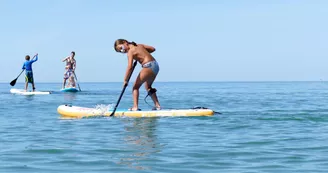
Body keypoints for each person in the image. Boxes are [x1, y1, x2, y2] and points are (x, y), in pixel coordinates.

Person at [114, 39, 161, 111]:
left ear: (125, 42)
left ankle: (135, 107)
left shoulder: (130, 52)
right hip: (155, 65)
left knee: (135, 87)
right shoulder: (140, 45)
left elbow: (130, 67)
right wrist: (142, 54)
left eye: (121, 48)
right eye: (120, 51)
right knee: (148, 86)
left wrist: (125, 80)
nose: (122, 51)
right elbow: (153, 49)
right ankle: (157, 106)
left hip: (148, 66)